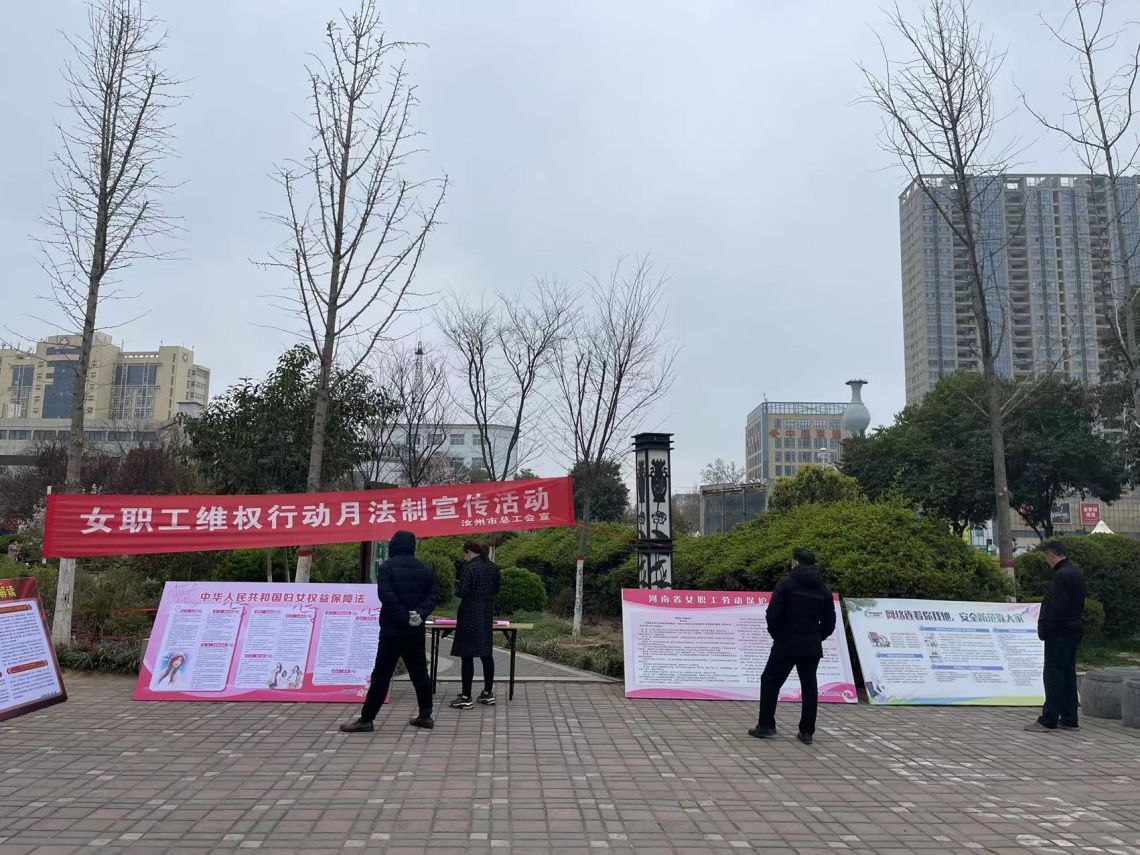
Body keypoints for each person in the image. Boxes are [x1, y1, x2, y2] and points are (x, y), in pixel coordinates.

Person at [341, 530, 440, 733]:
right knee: (420, 673)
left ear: (394, 545)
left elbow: (386, 595)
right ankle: (425, 715)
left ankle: (367, 719)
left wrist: (403, 616)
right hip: (415, 630)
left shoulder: (387, 567)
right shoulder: (425, 569)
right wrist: (419, 614)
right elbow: (433, 595)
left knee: (382, 674)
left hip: (392, 630)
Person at [749, 548, 836, 745]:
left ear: (796, 562)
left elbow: (773, 614)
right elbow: (830, 622)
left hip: (786, 643)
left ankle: (766, 726)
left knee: (770, 681)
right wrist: (816, 637)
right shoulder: (823, 589)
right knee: (809, 687)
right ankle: (807, 732)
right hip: (811, 645)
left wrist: (778, 635)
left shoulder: (786, 583)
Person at [1025, 541, 1087, 733]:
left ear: (1052, 555)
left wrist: (1047, 627)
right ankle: (1069, 718)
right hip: (1073, 630)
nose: (1047, 561)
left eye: (1047, 557)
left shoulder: (1061, 576)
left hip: (1059, 632)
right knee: (1067, 674)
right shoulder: (1075, 573)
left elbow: (1057, 607)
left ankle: (1049, 719)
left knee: (1054, 675)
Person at [449, 540, 502, 709]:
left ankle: (466, 697)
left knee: (467, 656)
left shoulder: (469, 568)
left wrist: (457, 580)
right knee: (486, 654)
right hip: (486, 614)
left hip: (469, 615)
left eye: (464, 555)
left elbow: (461, 592)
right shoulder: (493, 568)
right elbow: (496, 590)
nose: (464, 558)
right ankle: (488, 693)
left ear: (469, 552)